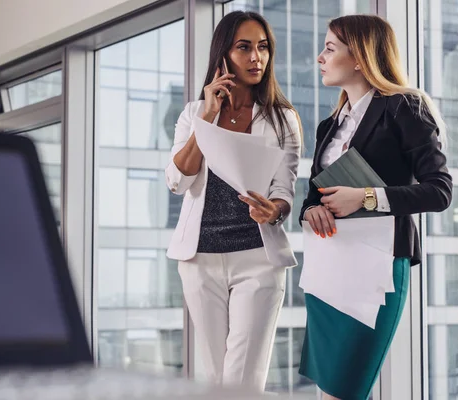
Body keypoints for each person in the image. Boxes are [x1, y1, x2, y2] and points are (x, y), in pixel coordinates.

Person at [298, 14, 452, 400]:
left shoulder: (404, 107)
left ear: (360, 59)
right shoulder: (329, 125)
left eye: (330, 48)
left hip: (377, 267)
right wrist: (309, 210)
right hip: (329, 265)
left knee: (347, 389)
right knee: (327, 390)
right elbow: (315, 193)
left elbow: (439, 191)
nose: (319, 57)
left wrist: (366, 197)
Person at [165, 11, 302, 391]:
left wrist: (274, 210)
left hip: (258, 259)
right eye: (244, 48)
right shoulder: (193, 113)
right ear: (223, 55)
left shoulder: (282, 119)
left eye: (263, 48)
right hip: (200, 261)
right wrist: (206, 118)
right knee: (215, 379)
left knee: (243, 380)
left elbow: (284, 191)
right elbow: (178, 181)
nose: (256, 57)